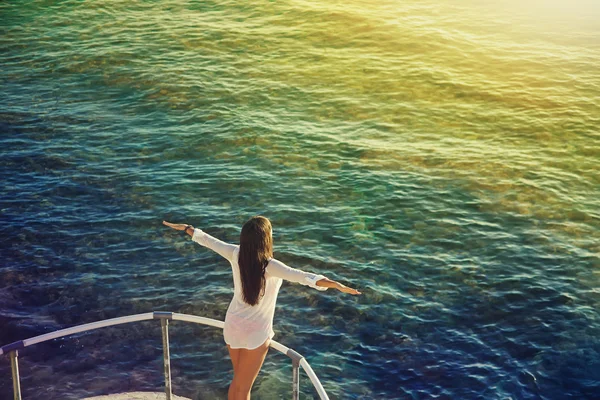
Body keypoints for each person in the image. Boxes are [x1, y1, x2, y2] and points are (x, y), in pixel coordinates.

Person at [163, 216, 360, 400]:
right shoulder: (270, 265)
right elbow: (303, 277)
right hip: (256, 332)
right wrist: (335, 285)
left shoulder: (235, 253)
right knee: (243, 386)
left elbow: (209, 241)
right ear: (265, 239)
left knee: (239, 383)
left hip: (232, 325)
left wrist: (188, 229)